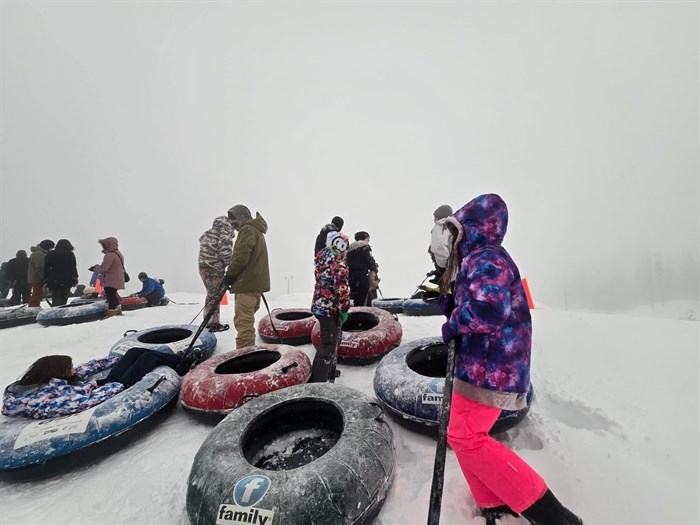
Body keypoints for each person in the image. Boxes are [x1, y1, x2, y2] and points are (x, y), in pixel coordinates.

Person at [438, 194, 582, 525]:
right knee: (461, 435)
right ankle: (491, 504)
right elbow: (476, 302)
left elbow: (490, 310)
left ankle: (555, 517)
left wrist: (454, 324)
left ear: (470, 227)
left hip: (491, 368)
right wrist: (449, 304)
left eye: (454, 229)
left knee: (467, 438)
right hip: (477, 364)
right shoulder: (476, 258)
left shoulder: (485, 257)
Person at [2, 355, 124, 419]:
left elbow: (81, 370)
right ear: (59, 371)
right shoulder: (44, 399)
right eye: (70, 367)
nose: (73, 369)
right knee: (140, 361)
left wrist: (112, 360)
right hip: (104, 388)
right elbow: (82, 403)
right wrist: (114, 386)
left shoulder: (43, 381)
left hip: (87, 387)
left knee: (134, 352)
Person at [223, 205, 270, 348]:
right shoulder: (256, 230)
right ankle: (249, 352)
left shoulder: (247, 230)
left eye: (233, 219)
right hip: (254, 285)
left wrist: (230, 274)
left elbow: (241, 256)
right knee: (247, 322)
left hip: (246, 285)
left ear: (241, 217)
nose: (232, 224)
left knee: (243, 324)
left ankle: (245, 357)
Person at [310, 231, 350, 382]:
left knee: (334, 339)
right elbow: (342, 290)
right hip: (330, 308)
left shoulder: (322, 259)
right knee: (328, 344)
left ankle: (330, 370)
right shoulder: (338, 265)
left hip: (320, 306)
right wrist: (344, 310)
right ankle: (318, 379)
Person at [198, 215, 235, 332]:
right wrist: (231, 265)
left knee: (210, 295)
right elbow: (226, 253)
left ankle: (208, 321)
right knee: (214, 297)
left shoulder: (207, 234)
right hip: (214, 269)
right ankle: (212, 324)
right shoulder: (224, 235)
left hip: (203, 268)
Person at [89, 237, 126, 317]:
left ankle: (112, 311)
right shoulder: (118, 254)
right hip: (117, 278)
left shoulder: (109, 255)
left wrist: (95, 268)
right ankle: (118, 309)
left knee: (110, 295)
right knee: (113, 294)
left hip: (111, 279)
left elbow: (104, 268)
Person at [346, 231, 379, 307]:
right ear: (364, 238)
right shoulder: (364, 247)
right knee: (364, 297)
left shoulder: (350, 250)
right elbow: (370, 262)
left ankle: (356, 314)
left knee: (355, 297)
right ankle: (365, 315)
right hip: (361, 276)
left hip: (351, 276)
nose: (368, 241)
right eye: (368, 238)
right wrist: (374, 268)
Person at [43, 239, 79, 306]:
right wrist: (75, 277)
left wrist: (45, 278)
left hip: (54, 279)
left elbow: (46, 268)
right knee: (64, 299)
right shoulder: (70, 254)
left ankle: (55, 312)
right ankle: (63, 312)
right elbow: (73, 267)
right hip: (67, 279)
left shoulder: (50, 254)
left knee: (56, 298)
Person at [428, 204, 453, 285]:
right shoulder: (453, 226)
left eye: (434, 217)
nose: (434, 220)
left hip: (447, 267)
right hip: (455, 266)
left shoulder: (440, 226)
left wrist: (443, 267)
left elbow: (439, 246)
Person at [27, 239, 54, 307]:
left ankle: (34, 305)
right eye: (51, 247)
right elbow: (40, 267)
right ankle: (33, 306)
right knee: (37, 294)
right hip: (38, 278)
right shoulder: (39, 254)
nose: (51, 250)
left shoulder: (38, 253)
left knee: (38, 293)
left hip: (36, 277)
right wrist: (44, 277)